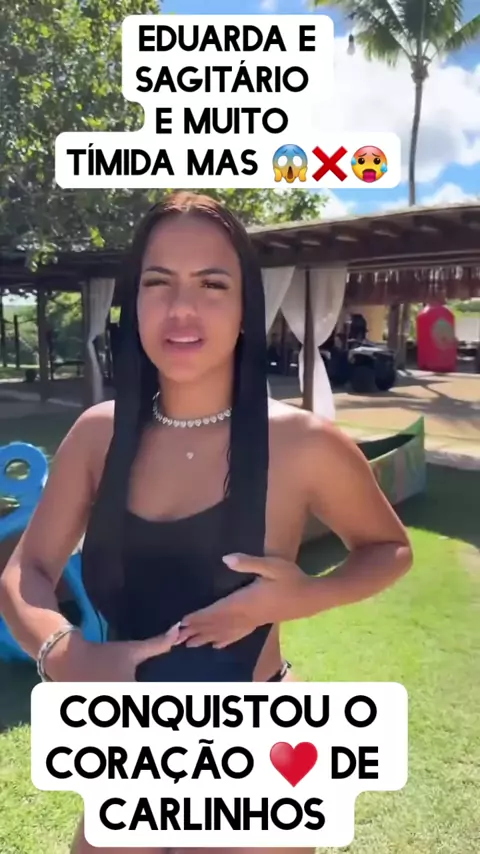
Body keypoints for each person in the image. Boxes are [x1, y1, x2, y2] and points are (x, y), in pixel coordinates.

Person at [0, 191, 413, 854]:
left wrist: (304, 595)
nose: (181, 309)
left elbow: (388, 548)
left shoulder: (302, 443)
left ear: (247, 305)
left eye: (212, 284)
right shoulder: (97, 437)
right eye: (157, 282)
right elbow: (29, 569)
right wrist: (65, 654)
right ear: (132, 301)